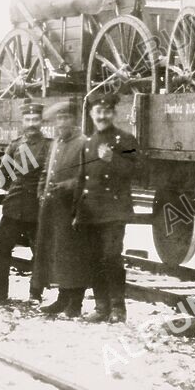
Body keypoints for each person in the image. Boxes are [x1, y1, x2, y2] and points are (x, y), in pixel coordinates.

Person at [74, 92, 138, 323]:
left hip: (114, 211)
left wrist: (113, 159)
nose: (102, 116)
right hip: (90, 211)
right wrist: (76, 212)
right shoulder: (88, 143)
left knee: (111, 257)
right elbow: (82, 180)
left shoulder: (126, 141)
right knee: (94, 258)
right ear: (91, 114)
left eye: (107, 112)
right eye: (98, 112)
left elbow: (138, 170)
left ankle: (118, 308)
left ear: (114, 114)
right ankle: (101, 307)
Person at [0, 101, 51, 304]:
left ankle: (35, 293)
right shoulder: (15, 145)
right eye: (28, 119)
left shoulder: (49, 146)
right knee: (2, 246)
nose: (31, 123)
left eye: (35, 119)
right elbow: (3, 174)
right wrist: (11, 188)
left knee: (39, 251)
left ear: (41, 121)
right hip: (14, 205)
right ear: (23, 121)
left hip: (37, 207)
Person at [34, 100, 92, 319]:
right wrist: (41, 191)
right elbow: (45, 171)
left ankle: (74, 304)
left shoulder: (83, 143)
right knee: (59, 253)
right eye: (58, 119)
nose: (61, 123)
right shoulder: (56, 143)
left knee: (74, 255)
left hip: (73, 208)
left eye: (66, 119)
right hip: (53, 207)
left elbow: (88, 178)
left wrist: (67, 186)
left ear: (74, 121)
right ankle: (62, 298)